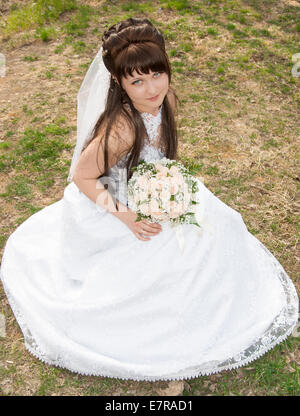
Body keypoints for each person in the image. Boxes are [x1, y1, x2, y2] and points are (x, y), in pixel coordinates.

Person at [0, 17, 298, 382]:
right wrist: (126, 216)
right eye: (137, 81)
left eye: (156, 74)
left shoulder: (165, 98)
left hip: (153, 187)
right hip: (114, 199)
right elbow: (82, 176)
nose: (151, 88)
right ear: (120, 84)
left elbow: (161, 150)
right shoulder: (122, 128)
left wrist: (168, 184)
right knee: (159, 256)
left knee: (217, 229)